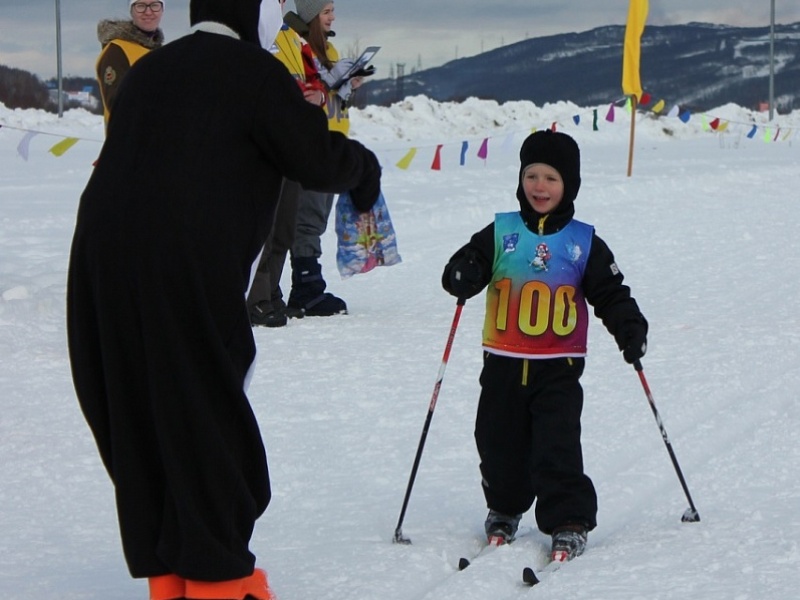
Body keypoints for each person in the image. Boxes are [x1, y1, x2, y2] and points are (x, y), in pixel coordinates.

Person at [66, 0, 381, 599]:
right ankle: (220, 583)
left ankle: (170, 578)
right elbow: (313, 156)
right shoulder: (251, 71)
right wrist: (363, 169)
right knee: (202, 405)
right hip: (180, 261)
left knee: (137, 403)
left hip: (99, 257)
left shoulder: (154, 69)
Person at [441, 130, 648, 563]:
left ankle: (568, 519)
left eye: (551, 178)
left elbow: (610, 291)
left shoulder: (583, 241)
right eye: (531, 175)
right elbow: (468, 263)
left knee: (556, 445)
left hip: (558, 365)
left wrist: (628, 326)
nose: (540, 186)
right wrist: (464, 272)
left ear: (568, 185)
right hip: (502, 363)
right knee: (496, 442)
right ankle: (505, 507)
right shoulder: (501, 231)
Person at [281, 0, 368, 317]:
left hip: (331, 144)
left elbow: (332, 98)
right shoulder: (295, 46)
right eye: (326, 11)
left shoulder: (329, 51)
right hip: (310, 145)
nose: (333, 17)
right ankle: (306, 286)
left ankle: (305, 283)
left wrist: (350, 84)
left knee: (314, 217)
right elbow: (302, 92)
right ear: (310, 15)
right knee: (306, 217)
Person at [247, 0, 329, 328]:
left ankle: (272, 291)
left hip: (292, 148)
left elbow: (317, 84)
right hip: (264, 150)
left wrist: (317, 96)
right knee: (263, 230)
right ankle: (257, 298)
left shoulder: (297, 41)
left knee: (284, 229)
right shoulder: (254, 38)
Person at [96, 0, 165, 129]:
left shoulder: (161, 52)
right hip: (130, 144)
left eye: (155, 5)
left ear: (162, 10)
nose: (148, 12)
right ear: (132, 10)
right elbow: (118, 105)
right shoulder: (117, 51)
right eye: (140, 6)